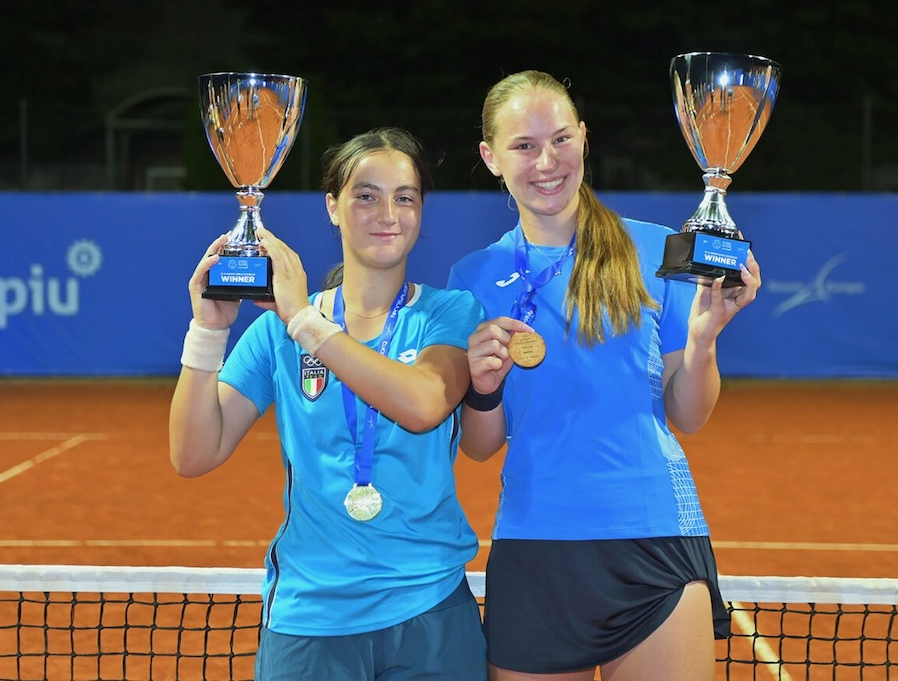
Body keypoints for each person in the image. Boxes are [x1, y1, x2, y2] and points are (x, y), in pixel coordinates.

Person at [447, 70, 762, 680]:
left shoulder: (662, 251)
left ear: (585, 139)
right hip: (534, 550)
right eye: (524, 146)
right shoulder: (472, 278)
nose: (547, 161)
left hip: (653, 543)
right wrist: (483, 389)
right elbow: (482, 447)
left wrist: (701, 342)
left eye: (562, 139)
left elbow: (690, 415)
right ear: (490, 158)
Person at [169, 127, 487, 681]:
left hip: (430, 610)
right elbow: (194, 454)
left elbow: (423, 403)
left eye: (404, 197)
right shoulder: (277, 335)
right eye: (365, 195)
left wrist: (305, 324)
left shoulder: (449, 313)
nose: (387, 212)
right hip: (310, 619)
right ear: (332, 207)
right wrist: (207, 333)